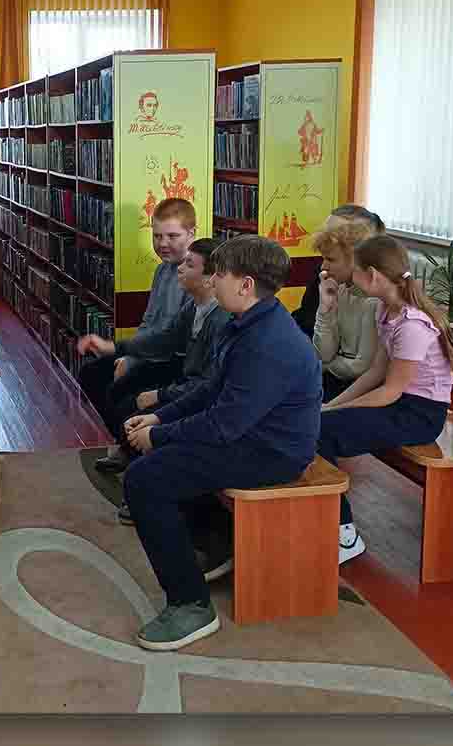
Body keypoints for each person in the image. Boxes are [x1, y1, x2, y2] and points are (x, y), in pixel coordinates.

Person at [120, 236, 321, 651]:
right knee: (160, 465)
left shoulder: (268, 342)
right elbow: (212, 388)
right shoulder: (245, 322)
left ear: (246, 285)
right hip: (248, 435)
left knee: (144, 480)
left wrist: (157, 436)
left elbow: (224, 424)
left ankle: (192, 605)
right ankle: (210, 545)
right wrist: (161, 417)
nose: (211, 281)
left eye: (219, 274)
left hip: (272, 452)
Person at [317, 235, 453, 565]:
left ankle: (344, 534)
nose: (350, 278)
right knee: (318, 421)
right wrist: (330, 407)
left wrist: (336, 412)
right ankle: (324, 521)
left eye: (356, 272)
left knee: (319, 432)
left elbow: (390, 391)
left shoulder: (412, 326)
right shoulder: (385, 310)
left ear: (373, 276)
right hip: (399, 402)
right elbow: (375, 373)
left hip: (420, 415)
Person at [95, 238, 231, 479]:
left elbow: (209, 384)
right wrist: (117, 348)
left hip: (204, 399)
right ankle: (132, 454)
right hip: (188, 386)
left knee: (135, 414)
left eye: (189, 264)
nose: (180, 268)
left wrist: (161, 395)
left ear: (210, 278)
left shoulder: (220, 320)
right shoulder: (193, 307)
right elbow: (163, 340)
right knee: (121, 395)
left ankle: (141, 465)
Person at [77, 198, 196, 468]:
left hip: (175, 360)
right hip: (149, 352)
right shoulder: (162, 271)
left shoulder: (194, 276)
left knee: (120, 392)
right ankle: (128, 444)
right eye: (157, 236)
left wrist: (132, 359)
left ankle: (137, 452)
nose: (163, 243)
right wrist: (128, 356)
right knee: (91, 374)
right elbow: (149, 322)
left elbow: (171, 339)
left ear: (191, 233)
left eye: (172, 236)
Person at [310, 220, 381, 403]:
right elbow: (323, 353)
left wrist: (325, 366)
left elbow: (361, 367)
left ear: (355, 261)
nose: (323, 267)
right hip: (337, 378)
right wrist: (325, 309)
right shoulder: (340, 289)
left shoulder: (374, 301)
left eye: (331, 260)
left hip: (361, 389)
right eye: (323, 258)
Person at [292, 204, 385, 337]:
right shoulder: (325, 277)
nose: (328, 237)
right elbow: (306, 321)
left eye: (336, 232)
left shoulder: (378, 301)